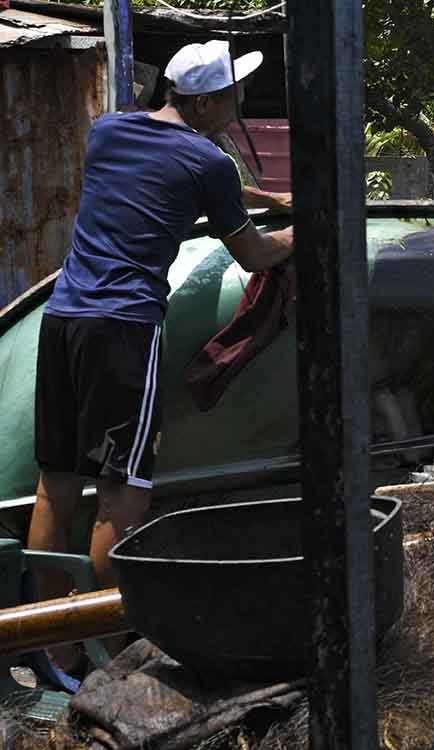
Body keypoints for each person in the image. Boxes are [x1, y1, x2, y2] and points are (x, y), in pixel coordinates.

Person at [28, 40, 295, 610]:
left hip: (65, 318)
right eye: (232, 97)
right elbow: (252, 254)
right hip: (124, 329)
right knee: (121, 497)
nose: (240, 106)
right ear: (202, 106)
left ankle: (51, 645)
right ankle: (106, 639)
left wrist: (266, 197)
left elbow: (180, 181)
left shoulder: (108, 131)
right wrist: (309, 226)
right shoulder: (209, 162)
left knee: (55, 491)